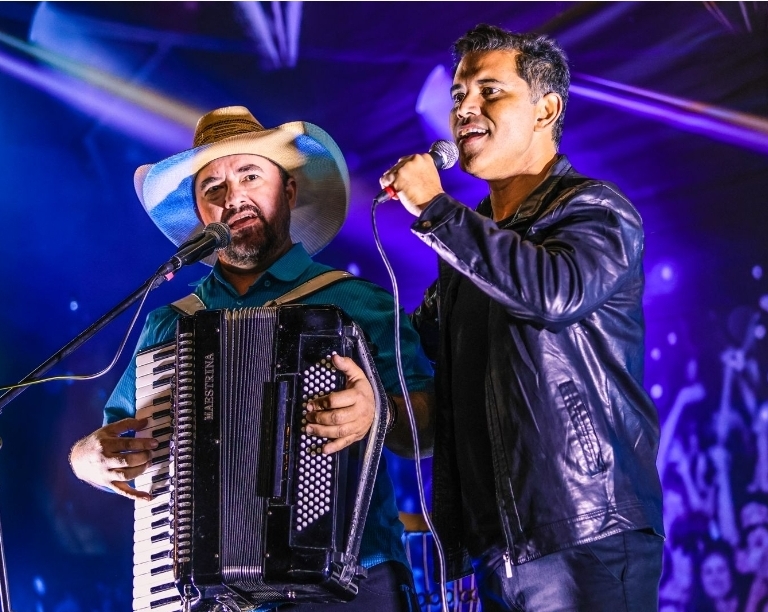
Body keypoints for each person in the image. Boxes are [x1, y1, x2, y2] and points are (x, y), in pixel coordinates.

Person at [68, 106, 435, 611]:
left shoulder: (358, 302)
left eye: (250, 175)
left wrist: (381, 413)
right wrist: (86, 460)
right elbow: (122, 444)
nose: (233, 197)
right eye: (213, 188)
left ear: (289, 191)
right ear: (201, 215)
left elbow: (429, 433)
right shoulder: (168, 324)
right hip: (211, 593)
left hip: (354, 582)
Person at [379, 24, 664, 611]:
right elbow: (413, 348)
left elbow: (553, 292)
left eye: (490, 91)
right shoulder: (469, 249)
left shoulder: (595, 211)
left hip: (585, 534)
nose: (466, 109)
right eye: (459, 95)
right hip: (495, 552)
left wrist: (436, 209)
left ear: (546, 109)